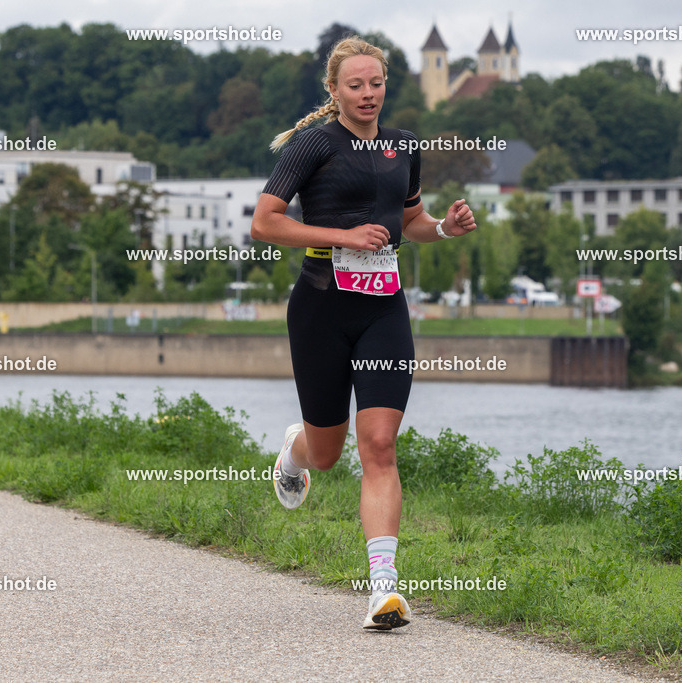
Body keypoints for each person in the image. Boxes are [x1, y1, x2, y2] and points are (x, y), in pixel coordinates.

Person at [250, 36, 477, 630]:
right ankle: (295, 449)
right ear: (334, 90)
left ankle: (384, 590)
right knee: (327, 454)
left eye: (376, 83)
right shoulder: (313, 145)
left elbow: (410, 223)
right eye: (355, 85)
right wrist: (340, 237)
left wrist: (445, 230)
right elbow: (265, 222)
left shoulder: (404, 148)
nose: (368, 94)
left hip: (383, 310)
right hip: (321, 309)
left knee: (379, 445)